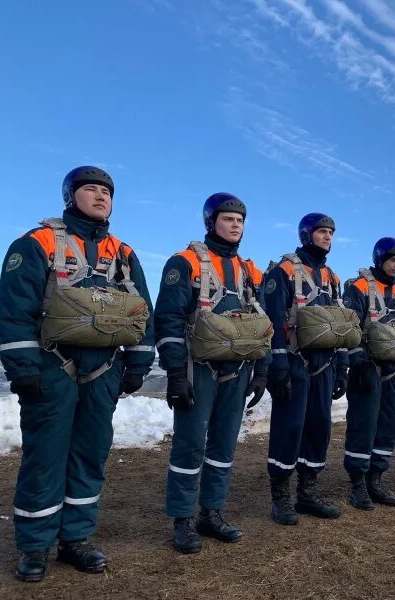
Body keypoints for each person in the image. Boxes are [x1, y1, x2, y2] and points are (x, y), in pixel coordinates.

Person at [0, 166, 155, 581]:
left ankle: (76, 540)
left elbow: (142, 313)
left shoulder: (124, 253)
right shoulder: (36, 244)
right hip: (52, 366)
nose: (101, 197)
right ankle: (34, 546)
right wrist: (23, 368)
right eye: (91, 189)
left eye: (107, 191)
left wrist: (138, 364)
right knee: (45, 457)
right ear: (71, 196)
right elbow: (15, 310)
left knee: (90, 454)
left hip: (103, 369)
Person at [154, 193, 268, 553]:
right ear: (211, 222)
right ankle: (183, 519)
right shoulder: (184, 262)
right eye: (228, 219)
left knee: (223, 444)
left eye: (240, 220)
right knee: (189, 445)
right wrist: (175, 373)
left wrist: (262, 370)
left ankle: (212, 513)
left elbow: (266, 323)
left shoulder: (251, 271)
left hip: (237, 368)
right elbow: (168, 320)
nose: (236, 225)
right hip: (197, 367)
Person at [262, 213, 350, 525]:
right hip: (295, 362)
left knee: (319, 427)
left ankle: (308, 491)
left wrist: (342, 365)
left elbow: (340, 324)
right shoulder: (283, 270)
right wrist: (278, 365)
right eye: (322, 232)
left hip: (324, 364)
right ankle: (280, 496)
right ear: (306, 234)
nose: (328, 237)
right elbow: (270, 319)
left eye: (331, 232)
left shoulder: (333, 278)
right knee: (289, 427)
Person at [342, 237, 395, 509]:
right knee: (363, 426)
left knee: (387, 426)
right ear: (379, 259)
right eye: (392, 260)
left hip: (394, 370)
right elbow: (348, 328)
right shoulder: (359, 287)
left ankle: (376, 478)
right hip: (368, 369)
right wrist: (357, 362)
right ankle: (357, 483)